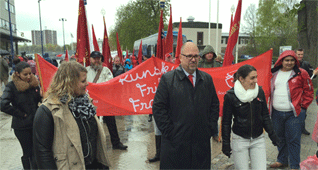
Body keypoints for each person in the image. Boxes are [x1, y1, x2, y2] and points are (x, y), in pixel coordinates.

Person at [153, 42, 220, 169]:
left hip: (200, 145)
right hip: (175, 146)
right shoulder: (168, 80)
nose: (193, 59)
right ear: (181, 57)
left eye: (196, 56)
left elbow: (214, 105)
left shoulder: (206, 79)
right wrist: (170, 132)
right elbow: (158, 108)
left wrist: (209, 128)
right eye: (189, 56)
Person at [33, 61, 110, 169]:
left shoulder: (86, 104)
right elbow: (42, 153)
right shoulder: (47, 111)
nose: (87, 84)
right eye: (83, 81)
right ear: (70, 83)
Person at [222, 65, 279, 169]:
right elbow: (226, 121)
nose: (256, 80)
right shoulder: (230, 95)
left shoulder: (259, 92)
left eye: (256, 77)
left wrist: (273, 135)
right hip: (240, 140)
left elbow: (265, 116)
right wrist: (225, 143)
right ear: (241, 79)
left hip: (258, 139)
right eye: (252, 78)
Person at [269, 50, 313, 170]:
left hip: (294, 113)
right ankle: (282, 160)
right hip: (276, 112)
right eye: (287, 60)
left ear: (296, 61)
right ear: (281, 61)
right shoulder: (274, 73)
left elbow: (309, 91)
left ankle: (294, 165)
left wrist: (303, 107)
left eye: (292, 60)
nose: (289, 63)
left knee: (293, 139)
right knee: (279, 138)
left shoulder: (301, 73)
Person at [1, 62, 42, 169]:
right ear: (17, 74)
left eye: (30, 73)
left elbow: (38, 100)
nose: (28, 76)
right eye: (25, 74)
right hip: (21, 126)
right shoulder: (12, 86)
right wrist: (20, 114)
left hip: (35, 123)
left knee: (36, 150)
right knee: (28, 151)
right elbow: (3, 104)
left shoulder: (34, 84)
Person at [87, 51, 128, 150]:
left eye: (98, 58)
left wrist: (98, 88)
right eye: (94, 58)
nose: (96, 60)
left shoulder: (106, 70)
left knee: (111, 122)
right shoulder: (85, 70)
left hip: (104, 100)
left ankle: (116, 143)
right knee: (91, 124)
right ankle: (92, 146)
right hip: (91, 102)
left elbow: (110, 82)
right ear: (90, 59)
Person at [296, 48, 317, 135]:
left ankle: (302, 128)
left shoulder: (306, 64)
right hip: (294, 91)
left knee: (303, 111)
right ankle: (294, 128)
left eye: (302, 54)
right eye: (299, 54)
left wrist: (315, 73)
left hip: (304, 92)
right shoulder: (292, 64)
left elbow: (312, 75)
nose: (300, 56)